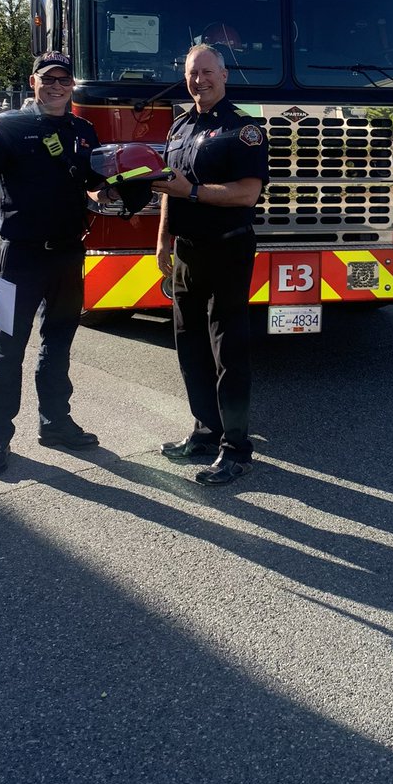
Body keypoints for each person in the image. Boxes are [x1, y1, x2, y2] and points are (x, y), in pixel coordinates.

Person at [0, 51, 102, 476]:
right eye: (49, 79)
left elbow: (93, 187)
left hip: (67, 254)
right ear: (33, 81)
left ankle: (55, 424)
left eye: (64, 80)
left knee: (58, 344)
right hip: (21, 257)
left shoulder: (84, 131)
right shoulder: (7, 127)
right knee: (9, 349)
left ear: (72, 86)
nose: (57, 86)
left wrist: (113, 193)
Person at [152, 43, 269, 486]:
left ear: (223, 75)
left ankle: (236, 448)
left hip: (228, 248)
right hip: (187, 251)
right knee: (189, 344)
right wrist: (163, 239)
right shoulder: (179, 127)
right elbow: (167, 186)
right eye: (191, 72)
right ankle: (204, 432)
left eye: (207, 71)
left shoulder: (244, 130)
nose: (198, 79)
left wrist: (195, 193)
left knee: (229, 350)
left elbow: (246, 193)